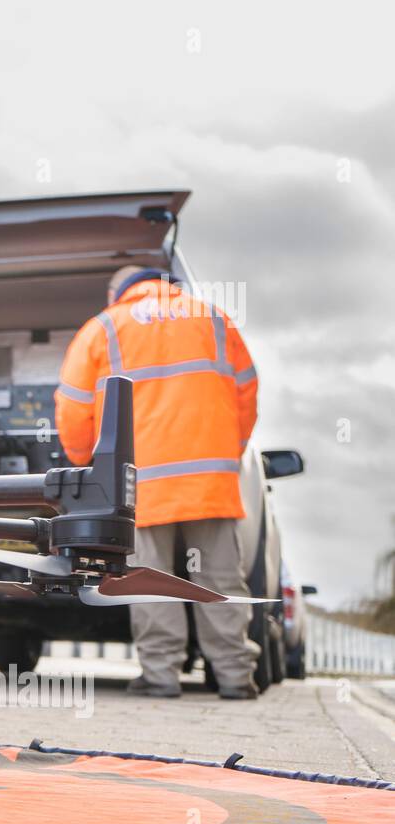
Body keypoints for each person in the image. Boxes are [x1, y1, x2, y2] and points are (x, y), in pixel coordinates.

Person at [55, 266, 261, 699]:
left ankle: (161, 676)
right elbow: (246, 392)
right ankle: (235, 676)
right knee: (219, 578)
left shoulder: (105, 327)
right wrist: (230, 453)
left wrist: (84, 467)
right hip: (210, 482)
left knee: (150, 579)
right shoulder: (212, 318)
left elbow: (74, 408)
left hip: (142, 484)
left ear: (119, 291)